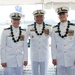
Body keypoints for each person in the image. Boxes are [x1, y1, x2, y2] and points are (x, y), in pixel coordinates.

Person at [24, 10, 52, 75]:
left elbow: (55, 40)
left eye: (41, 16)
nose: (39, 18)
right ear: (34, 18)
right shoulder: (29, 28)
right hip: (34, 55)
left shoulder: (48, 27)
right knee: (34, 73)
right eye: (37, 17)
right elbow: (24, 41)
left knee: (44, 73)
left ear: (44, 18)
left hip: (44, 55)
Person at [51, 7, 75, 75]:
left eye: (63, 14)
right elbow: (53, 45)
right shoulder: (55, 29)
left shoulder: (73, 27)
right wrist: (54, 58)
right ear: (58, 16)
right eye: (60, 14)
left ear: (67, 15)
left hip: (71, 59)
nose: (62, 16)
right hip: (60, 59)